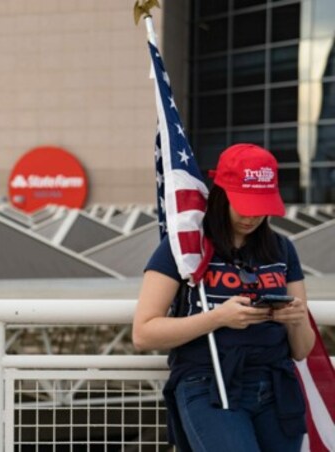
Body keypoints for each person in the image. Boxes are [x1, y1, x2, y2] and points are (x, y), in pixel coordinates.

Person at [132, 143, 315, 451]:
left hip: (275, 386)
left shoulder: (282, 249)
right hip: (208, 382)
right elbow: (143, 333)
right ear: (221, 194)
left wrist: (296, 320)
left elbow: (302, 350)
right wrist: (218, 318)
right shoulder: (185, 247)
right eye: (244, 204)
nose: (252, 216)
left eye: (261, 206)